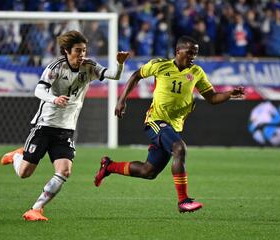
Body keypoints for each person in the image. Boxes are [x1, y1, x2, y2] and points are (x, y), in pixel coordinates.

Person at [94, 35, 244, 213]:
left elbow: (212, 97)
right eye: (189, 53)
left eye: (195, 53)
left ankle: (109, 166)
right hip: (156, 121)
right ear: (178, 51)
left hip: (174, 127)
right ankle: (183, 201)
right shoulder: (160, 65)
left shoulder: (196, 73)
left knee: (148, 172)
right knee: (179, 148)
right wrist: (121, 100)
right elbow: (136, 75)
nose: (193, 57)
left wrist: (229, 94)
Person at [0, 30, 129, 221]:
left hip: (66, 129)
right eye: (78, 51)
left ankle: (36, 209)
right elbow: (39, 89)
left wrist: (120, 63)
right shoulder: (56, 67)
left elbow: (114, 76)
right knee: (24, 173)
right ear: (67, 51)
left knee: (64, 171)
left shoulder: (89, 66)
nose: (82, 55)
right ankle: (17, 156)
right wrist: (54, 99)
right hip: (44, 125)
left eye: (84, 50)